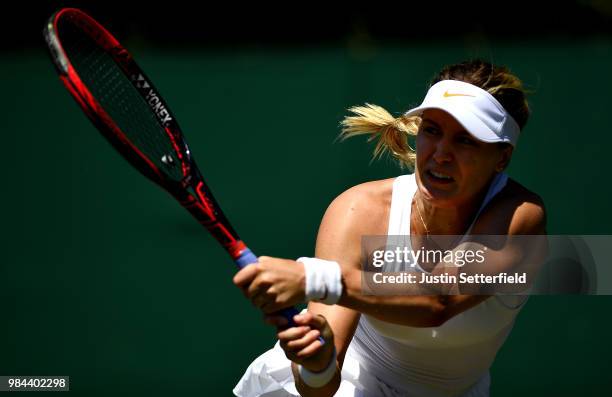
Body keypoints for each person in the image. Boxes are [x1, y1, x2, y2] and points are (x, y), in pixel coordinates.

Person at [232, 59, 547, 397]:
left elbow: (438, 301)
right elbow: (319, 388)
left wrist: (314, 278)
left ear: (502, 157)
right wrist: (318, 363)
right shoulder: (359, 211)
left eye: (465, 141)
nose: (441, 153)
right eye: (431, 130)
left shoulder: (521, 217)